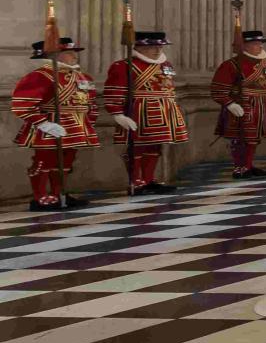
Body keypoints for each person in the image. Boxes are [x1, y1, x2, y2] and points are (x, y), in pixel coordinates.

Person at [10, 33, 97, 210]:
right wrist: (44, 124)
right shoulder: (40, 76)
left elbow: (90, 101)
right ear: (54, 55)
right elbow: (22, 104)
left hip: (76, 124)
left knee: (66, 162)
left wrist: (90, 121)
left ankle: (60, 194)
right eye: (69, 52)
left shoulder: (83, 77)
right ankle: (40, 196)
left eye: (74, 52)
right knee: (44, 162)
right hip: (49, 124)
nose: (75, 55)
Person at [103, 31, 189, 196]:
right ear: (139, 47)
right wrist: (117, 114)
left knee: (155, 146)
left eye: (160, 46)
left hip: (164, 109)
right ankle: (135, 181)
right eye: (152, 46)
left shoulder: (166, 65)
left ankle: (149, 180)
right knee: (137, 147)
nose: (157, 50)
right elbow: (114, 92)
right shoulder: (123, 66)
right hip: (140, 110)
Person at [212, 29, 266, 179]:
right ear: (244, 46)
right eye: (255, 43)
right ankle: (239, 167)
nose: (260, 46)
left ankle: (248, 165)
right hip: (241, 106)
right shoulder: (231, 65)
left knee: (254, 138)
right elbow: (218, 88)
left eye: (260, 43)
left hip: (261, 105)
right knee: (240, 138)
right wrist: (229, 104)